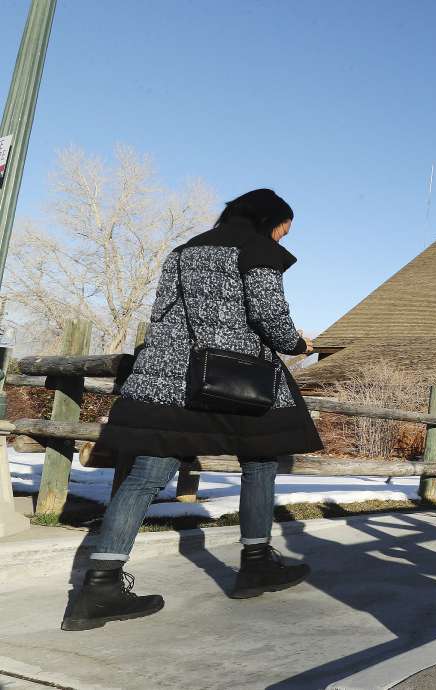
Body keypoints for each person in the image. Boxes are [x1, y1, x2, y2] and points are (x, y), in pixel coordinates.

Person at [61, 189, 323, 631]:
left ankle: (99, 585)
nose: (283, 237)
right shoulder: (258, 250)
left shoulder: (183, 251)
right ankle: (256, 563)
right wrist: (298, 343)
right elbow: (268, 316)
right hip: (234, 381)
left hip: (170, 381)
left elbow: (163, 312)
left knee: (145, 475)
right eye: (284, 228)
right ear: (268, 221)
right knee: (260, 461)